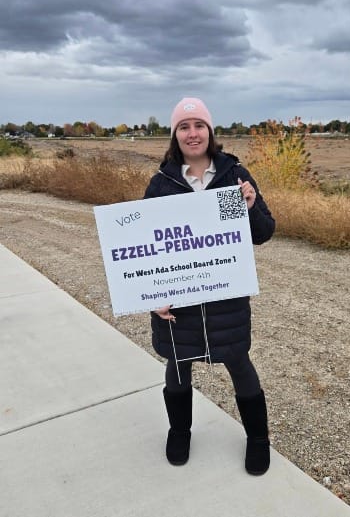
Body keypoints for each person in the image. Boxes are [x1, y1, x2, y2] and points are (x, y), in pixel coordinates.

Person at [143, 97, 275, 475]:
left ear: (210, 131)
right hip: (178, 302)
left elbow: (263, 233)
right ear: (175, 135)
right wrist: (154, 297)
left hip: (225, 299)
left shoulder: (234, 176)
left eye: (198, 124)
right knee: (178, 363)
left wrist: (249, 207)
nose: (192, 133)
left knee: (238, 362)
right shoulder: (162, 183)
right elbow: (148, 250)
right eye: (184, 126)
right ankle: (179, 431)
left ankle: (258, 438)